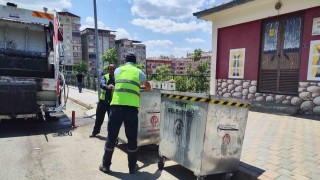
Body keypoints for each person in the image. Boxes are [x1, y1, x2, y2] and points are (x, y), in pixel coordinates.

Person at [99, 52, 152, 174]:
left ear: (125, 61)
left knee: (112, 136)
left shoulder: (118, 70)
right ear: (135, 62)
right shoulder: (139, 72)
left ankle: (106, 165)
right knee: (132, 138)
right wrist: (150, 88)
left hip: (116, 106)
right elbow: (147, 86)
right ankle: (132, 167)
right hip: (131, 109)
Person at [90, 64, 116, 137]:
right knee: (99, 118)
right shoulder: (105, 77)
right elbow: (101, 84)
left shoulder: (117, 78)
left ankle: (111, 135)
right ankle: (95, 132)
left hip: (112, 103)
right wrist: (107, 87)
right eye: (110, 69)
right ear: (108, 70)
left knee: (111, 120)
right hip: (103, 102)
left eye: (113, 69)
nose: (112, 70)